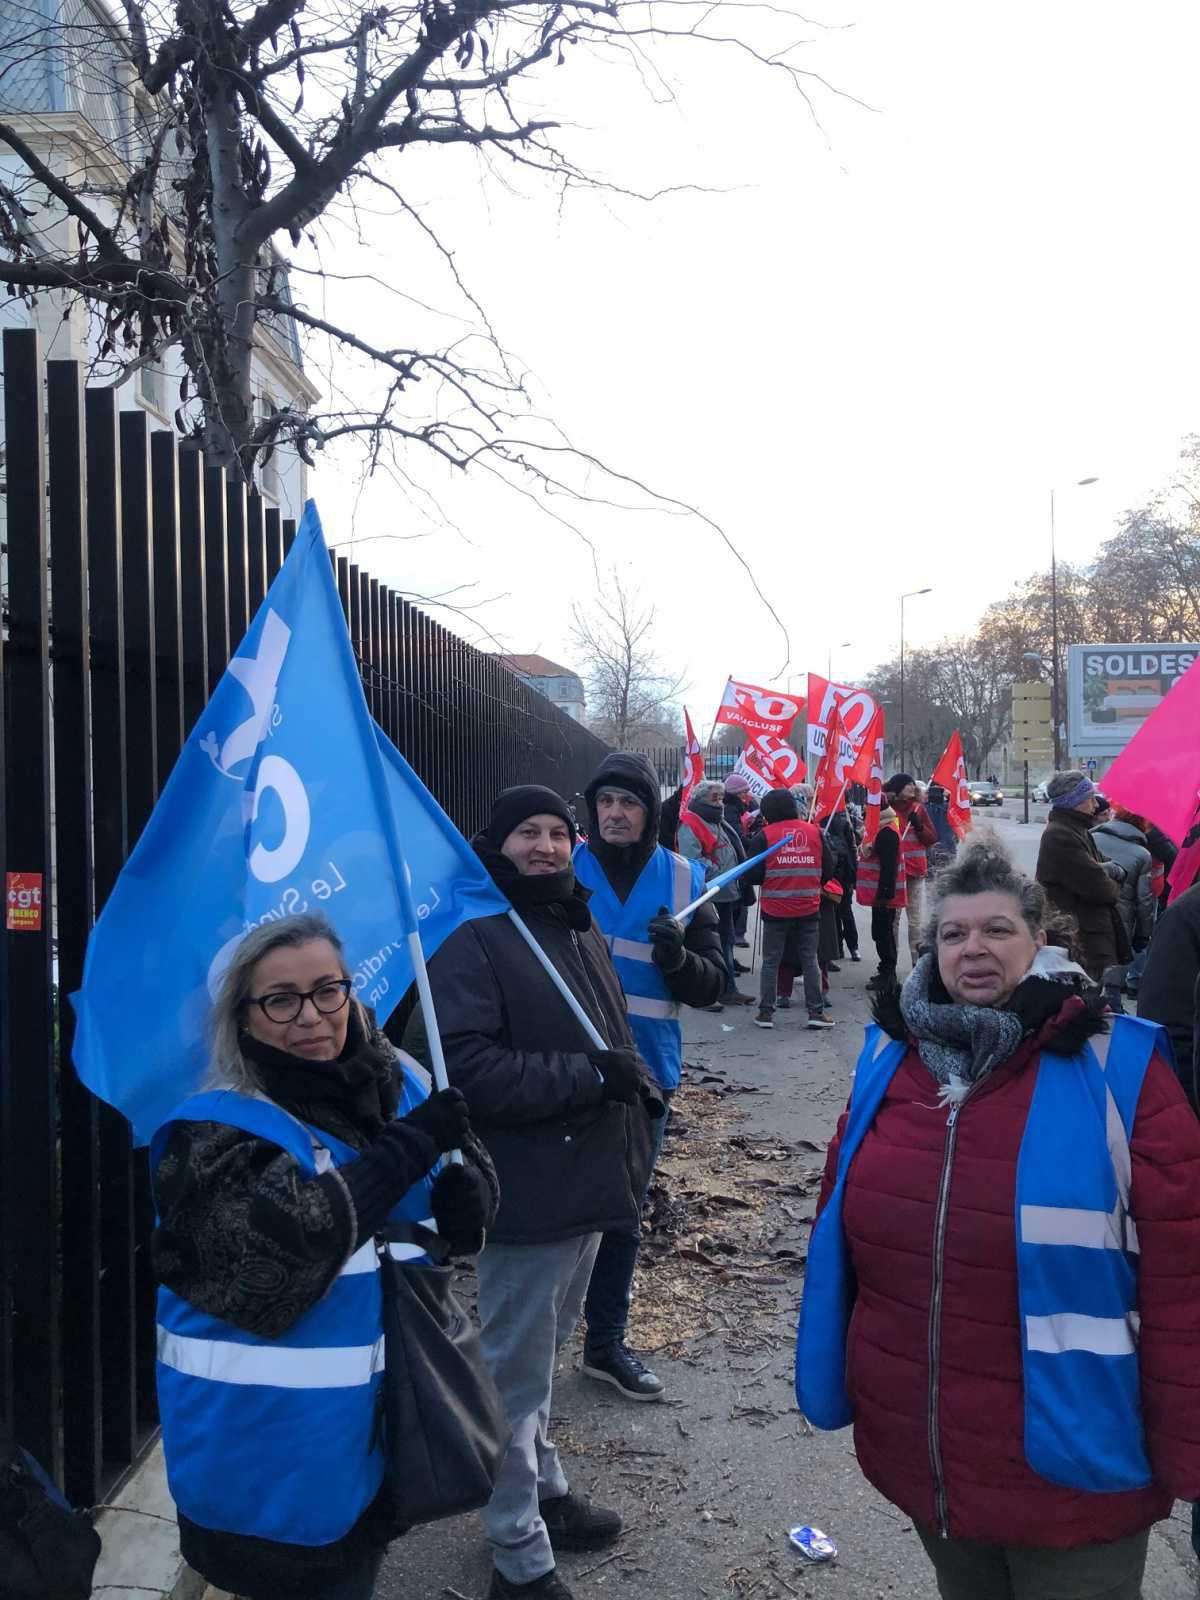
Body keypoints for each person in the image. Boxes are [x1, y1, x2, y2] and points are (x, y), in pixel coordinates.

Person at [797, 834, 1200, 1600]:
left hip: (1079, 1459)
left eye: (996, 930)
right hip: (930, 1452)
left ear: (1039, 943)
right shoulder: (889, 1060)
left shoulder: (1122, 1070)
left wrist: (1188, 1444)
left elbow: (1186, 1274)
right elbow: (839, 1242)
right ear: (932, 949)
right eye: (953, 933)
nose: (972, 948)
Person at [151, 913, 496, 1600]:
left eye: (328, 990)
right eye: (281, 999)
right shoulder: (213, 1130)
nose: (311, 1017)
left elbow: (462, 1185)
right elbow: (274, 1263)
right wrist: (406, 1151)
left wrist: (470, 1208)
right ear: (242, 1018)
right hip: (264, 1464)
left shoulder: (396, 1079)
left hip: (375, 1438)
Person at [404, 784, 662, 1599]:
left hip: (588, 1179)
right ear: (496, 842)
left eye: (557, 831)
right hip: (526, 1191)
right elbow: (466, 1070)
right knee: (513, 1378)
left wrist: (626, 1081)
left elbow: (606, 1031)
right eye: (527, 832)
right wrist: (588, 1075)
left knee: (543, 1359)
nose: (546, 846)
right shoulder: (472, 935)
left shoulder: (566, 915)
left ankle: (543, 1490)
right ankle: (516, 1550)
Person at [574, 752, 726, 1403]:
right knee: (549, 1210)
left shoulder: (687, 879)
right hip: (563, 1070)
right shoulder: (560, 865)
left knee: (622, 1211)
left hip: (645, 1078)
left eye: (628, 803)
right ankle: (528, 1338)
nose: (615, 813)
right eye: (605, 801)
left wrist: (679, 958)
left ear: (648, 813)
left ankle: (604, 1343)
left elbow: (713, 986)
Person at [745, 787, 835, 1031]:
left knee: (771, 961)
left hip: (775, 909)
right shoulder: (814, 832)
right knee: (810, 960)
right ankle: (816, 1011)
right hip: (808, 907)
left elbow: (752, 874)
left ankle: (766, 1013)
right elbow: (829, 868)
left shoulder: (765, 836)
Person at [1036, 770, 1130, 985]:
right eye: (1089, 799)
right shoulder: (1061, 835)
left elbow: (1099, 867)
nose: (1095, 805)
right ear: (1074, 802)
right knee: (1087, 998)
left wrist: (1105, 869)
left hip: (1087, 931)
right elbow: (1102, 889)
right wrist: (1110, 873)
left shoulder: (1077, 829)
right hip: (1079, 935)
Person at [677, 778, 755, 1006]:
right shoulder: (691, 823)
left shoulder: (717, 820)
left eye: (721, 797)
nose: (720, 802)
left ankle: (728, 988)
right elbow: (692, 860)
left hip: (725, 891)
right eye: (715, 798)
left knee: (727, 940)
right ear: (701, 799)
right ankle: (712, 993)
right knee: (710, 944)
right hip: (708, 893)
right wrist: (721, 871)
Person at [1091, 806, 1156, 1013]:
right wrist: (1143, 935)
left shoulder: (1090, 838)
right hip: (1121, 921)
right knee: (1112, 982)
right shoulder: (1142, 854)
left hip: (1086, 914)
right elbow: (1144, 901)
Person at [885, 774, 937, 967]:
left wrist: (919, 826)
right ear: (897, 789)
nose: (912, 787)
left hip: (914, 871)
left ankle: (917, 964)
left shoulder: (918, 809)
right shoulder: (888, 810)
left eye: (913, 785)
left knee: (915, 921)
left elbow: (931, 838)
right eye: (907, 785)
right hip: (894, 872)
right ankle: (891, 963)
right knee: (893, 921)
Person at [857, 792, 905, 993]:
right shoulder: (880, 829)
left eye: (868, 808)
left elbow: (889, 867)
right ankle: (885, 970)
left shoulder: (886, 832)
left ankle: (888, 975)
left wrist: (885, 894)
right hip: (881, 895)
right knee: (880, 934)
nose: (865, 812)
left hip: (884, 896)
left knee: (883, 935)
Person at [824, 807, 861, 962]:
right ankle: (840, 947)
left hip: (842, 874)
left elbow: (852, 848)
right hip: (832, 874)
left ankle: (851, 947)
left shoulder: (846, 821)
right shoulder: (821, 819)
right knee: (836, 913)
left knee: (844, 912)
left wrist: (853, 876)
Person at [724, 774, 756, 947]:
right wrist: (754, 842)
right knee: (738, 901)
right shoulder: (731, 809)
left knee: (741, 900)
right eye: (744, 792)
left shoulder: (738, 807)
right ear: (736, 793)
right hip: (736, 861)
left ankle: (736, 935)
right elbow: (736, 836)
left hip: (739, 858)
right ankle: (737, 935)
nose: (747, 796)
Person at [925, 782, 958, 867]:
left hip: (931, 849)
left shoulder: (922, 808)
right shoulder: (950, 808)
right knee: (947, 876)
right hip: (947, 848)